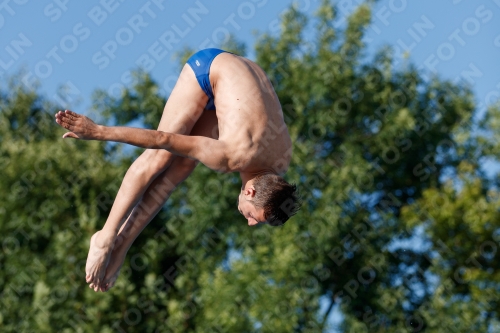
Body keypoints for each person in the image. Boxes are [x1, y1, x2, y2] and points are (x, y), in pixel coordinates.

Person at [54, 48, 299, 292]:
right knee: (159, 158)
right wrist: (98, 131)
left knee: (183, 166)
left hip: (241, 80)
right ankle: (105, 236)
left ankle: (121, 245)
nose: (250, 223)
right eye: (253, 217)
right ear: (251, 193)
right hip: (208, 70)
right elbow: (162, 138)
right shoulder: (231, 156)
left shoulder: (280, 162)